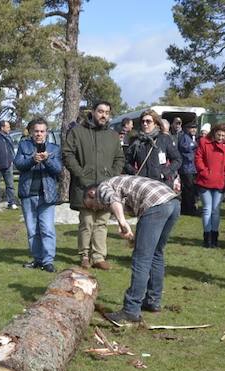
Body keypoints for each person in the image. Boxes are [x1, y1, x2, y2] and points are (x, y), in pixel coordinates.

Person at [83, 175, 180, 325]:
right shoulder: (116, 184)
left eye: (91, 206)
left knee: (141, 259)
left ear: (91, 194)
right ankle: (153, 301)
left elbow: (114, 201)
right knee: (156, 254)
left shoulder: (102, 188)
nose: (95, 209)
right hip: (172, 203)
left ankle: (131, 310)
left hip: (156, 204)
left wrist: (122, 223)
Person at [62, 100, 124, 270]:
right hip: (84, 186)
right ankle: (84, 255)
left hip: (105, 186)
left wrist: (112, 176)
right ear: (93, 112)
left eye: (107, 112)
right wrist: (81, 175)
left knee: (102, 222)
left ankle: (98, 257)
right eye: (100, 111)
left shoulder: (112, 135)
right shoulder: (77, 132)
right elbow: (67, 154)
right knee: (87, 222)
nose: (103, 115)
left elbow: (119, 158)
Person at [14, 116, 62, 272]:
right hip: (28, 194)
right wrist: (32, 161)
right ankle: (37, 259)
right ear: (31, 132)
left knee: (47, 229)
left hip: (46, 195)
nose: (39, 134)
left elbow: (58, 170)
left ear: (46, 132)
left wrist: (47, 160)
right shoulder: (24, 145)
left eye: (42, 131)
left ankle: (48, 261)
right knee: (32, 230)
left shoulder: (54, 149)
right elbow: (18, 165)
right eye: (36, 131)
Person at [195, 123, 225, 248]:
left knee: (216, 210)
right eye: (219, 135)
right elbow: (198, 158)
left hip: (220, 181)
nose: (221, 137)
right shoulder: (204, 142)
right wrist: (204, 171)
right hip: (205, 180)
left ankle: (214, 237)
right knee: (207, 209)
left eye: (223, 135)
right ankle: (207, 238)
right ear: (214, 133)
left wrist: (224, 173)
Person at [124, 109, 180, 189]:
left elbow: (177, 159)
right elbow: (126, 162)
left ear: (155, 123)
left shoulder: (164, 139)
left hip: (161, 184)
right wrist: (134, 173)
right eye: (143, 121)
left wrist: (165, 172)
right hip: (142, 185)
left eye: (148, 121)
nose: (145, 124)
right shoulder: (136, 141)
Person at [177, 122, 199, 216]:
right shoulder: (184, 138)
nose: (194, 130)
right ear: (187, 129)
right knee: (188, 189)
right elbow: (185, 150)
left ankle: (188, 207)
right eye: (191, 128)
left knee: (190, 189)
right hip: (186, 168)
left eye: (195, 128)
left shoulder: (191, 138)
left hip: (191, 168)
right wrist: (194, 146)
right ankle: (188, 209)